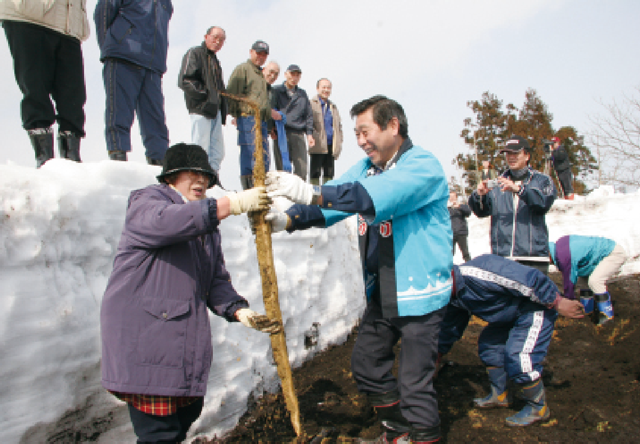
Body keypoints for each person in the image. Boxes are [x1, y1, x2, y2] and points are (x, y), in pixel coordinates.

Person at [265, 96, 452, 443]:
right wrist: (289, 218)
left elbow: (369, 196)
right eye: (357, 134)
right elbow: (337, 200)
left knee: (414, 385)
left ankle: (423, 435)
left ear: (393, 126)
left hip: (419, 296)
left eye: (366, 131)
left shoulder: (422, 166)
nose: (362, 141)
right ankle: (398, 432)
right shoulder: (368, 167)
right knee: (366, 364)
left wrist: (312, 193)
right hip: (383, 291)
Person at [100, 143, 280, 443]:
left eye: (206, 175)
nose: (201, 181)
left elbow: (215, 279)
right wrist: (228, 205)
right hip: (147, 340)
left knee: (185, 415)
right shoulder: (148, 201)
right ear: (171, 177)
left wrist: (238, 310)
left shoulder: (205, 224)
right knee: (160, 432)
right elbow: (166, 222)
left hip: (177, 343)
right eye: (192, 173)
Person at [437, 254, 584, 427]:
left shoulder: (479, 271)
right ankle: (500, 396)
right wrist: (437, 355)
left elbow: (529, 279)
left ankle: (538, 408)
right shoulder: (452, 296)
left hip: (535, 307)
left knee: (520, 355)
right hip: (509, 315)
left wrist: (557, 301)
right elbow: (450, 327)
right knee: (489, 345)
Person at [1, 0, 89, 167]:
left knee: (73, 97)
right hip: (29, 16)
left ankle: (71, 159)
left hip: (70, 23)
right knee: (36, 88)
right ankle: (44, 159)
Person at [94, 0, 173, 165]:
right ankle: (118, 155)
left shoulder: (166, 3)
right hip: (124, 55)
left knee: (155, 118)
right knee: (119, 111)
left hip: (153, 65)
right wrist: (111, 44)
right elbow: (103, 11)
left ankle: (158, 162)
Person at [468, 135, 556, 274]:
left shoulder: (542, 180)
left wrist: (519, 189)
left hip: (533, 258)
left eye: (515, 153)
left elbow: (543, 203)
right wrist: (480, 195)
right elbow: (481, 212)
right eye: (508, 153)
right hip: (503, 258)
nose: (511, 157)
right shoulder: (497, 183)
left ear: (527, 155)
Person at [178, 26, 228, 175]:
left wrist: (224, 105)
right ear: (206, 37)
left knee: (218, 149)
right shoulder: (195, 53)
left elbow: (220, 88)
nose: (218, 41)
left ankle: (213, 177)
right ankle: (198, 175)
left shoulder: (215, 61)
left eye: (222, 40)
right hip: (201, 108)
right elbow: (185, 80)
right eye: (215, 37)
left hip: (215, 110)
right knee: (201, 145)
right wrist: (206, 96)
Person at [549, 235, 627, 325]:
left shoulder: (563, 257)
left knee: (595, 281)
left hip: (613, 254)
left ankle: (607, 316)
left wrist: (569, 302)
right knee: (583, 282)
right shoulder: (560, 246)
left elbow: (569, 281)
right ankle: (587, 312)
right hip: (596, 257)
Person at [226, 40, 271, 190]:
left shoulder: (261, 75)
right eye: (258, 53)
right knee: (250, 155)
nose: (261, 57)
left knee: (263, 157)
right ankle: (249, 190)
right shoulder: (243, 69)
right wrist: (238, 114)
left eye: (264, 54)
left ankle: (261, 189)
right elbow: (231, 93)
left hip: (262, 121)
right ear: (251, 52)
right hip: (248, 118)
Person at [271, 64, 315, 180]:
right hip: (280, 133)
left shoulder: (302, 94)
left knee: (302, 169)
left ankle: (299, 196)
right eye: (292, 74)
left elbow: (309, 115)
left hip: (298, 134)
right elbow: (270, 110)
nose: (294, 78)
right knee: (282, 170)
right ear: (286, 74)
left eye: (297, 75)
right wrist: (271, 129)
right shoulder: (276, 91)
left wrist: (309, 134)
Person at [309, 78, 343, 185]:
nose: (326, 90)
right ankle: (315, 198)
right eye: (324, 87)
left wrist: (340, 141)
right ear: (317, 88)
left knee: (329, 173)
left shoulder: (333, 107)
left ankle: (327, 197)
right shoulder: (311, 104)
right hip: (318, 144)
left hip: (331, 145)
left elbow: (339, 126)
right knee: (315, 173)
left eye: (328, 88)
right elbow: (308, 122)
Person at [263, 61, 291, 173]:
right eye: (271, 72)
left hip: (266, 131)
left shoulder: (272, 91)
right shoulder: (256, 86)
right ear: (264, 69)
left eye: (276, 74)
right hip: (252, 128)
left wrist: (272, 128)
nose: (273, 76)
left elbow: (273, 108)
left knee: (265, 161)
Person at [448, 190, 472, 262]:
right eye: (450, 197)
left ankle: (470, 265)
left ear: (456, 197)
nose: (452, 198)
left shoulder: (461, 206)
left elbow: (468, 212)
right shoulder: (446, 209)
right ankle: (450, 269)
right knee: (450, 253)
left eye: (453, 196)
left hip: (461, 232)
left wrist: (459, 206)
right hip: (450, 233)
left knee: (465, 252)